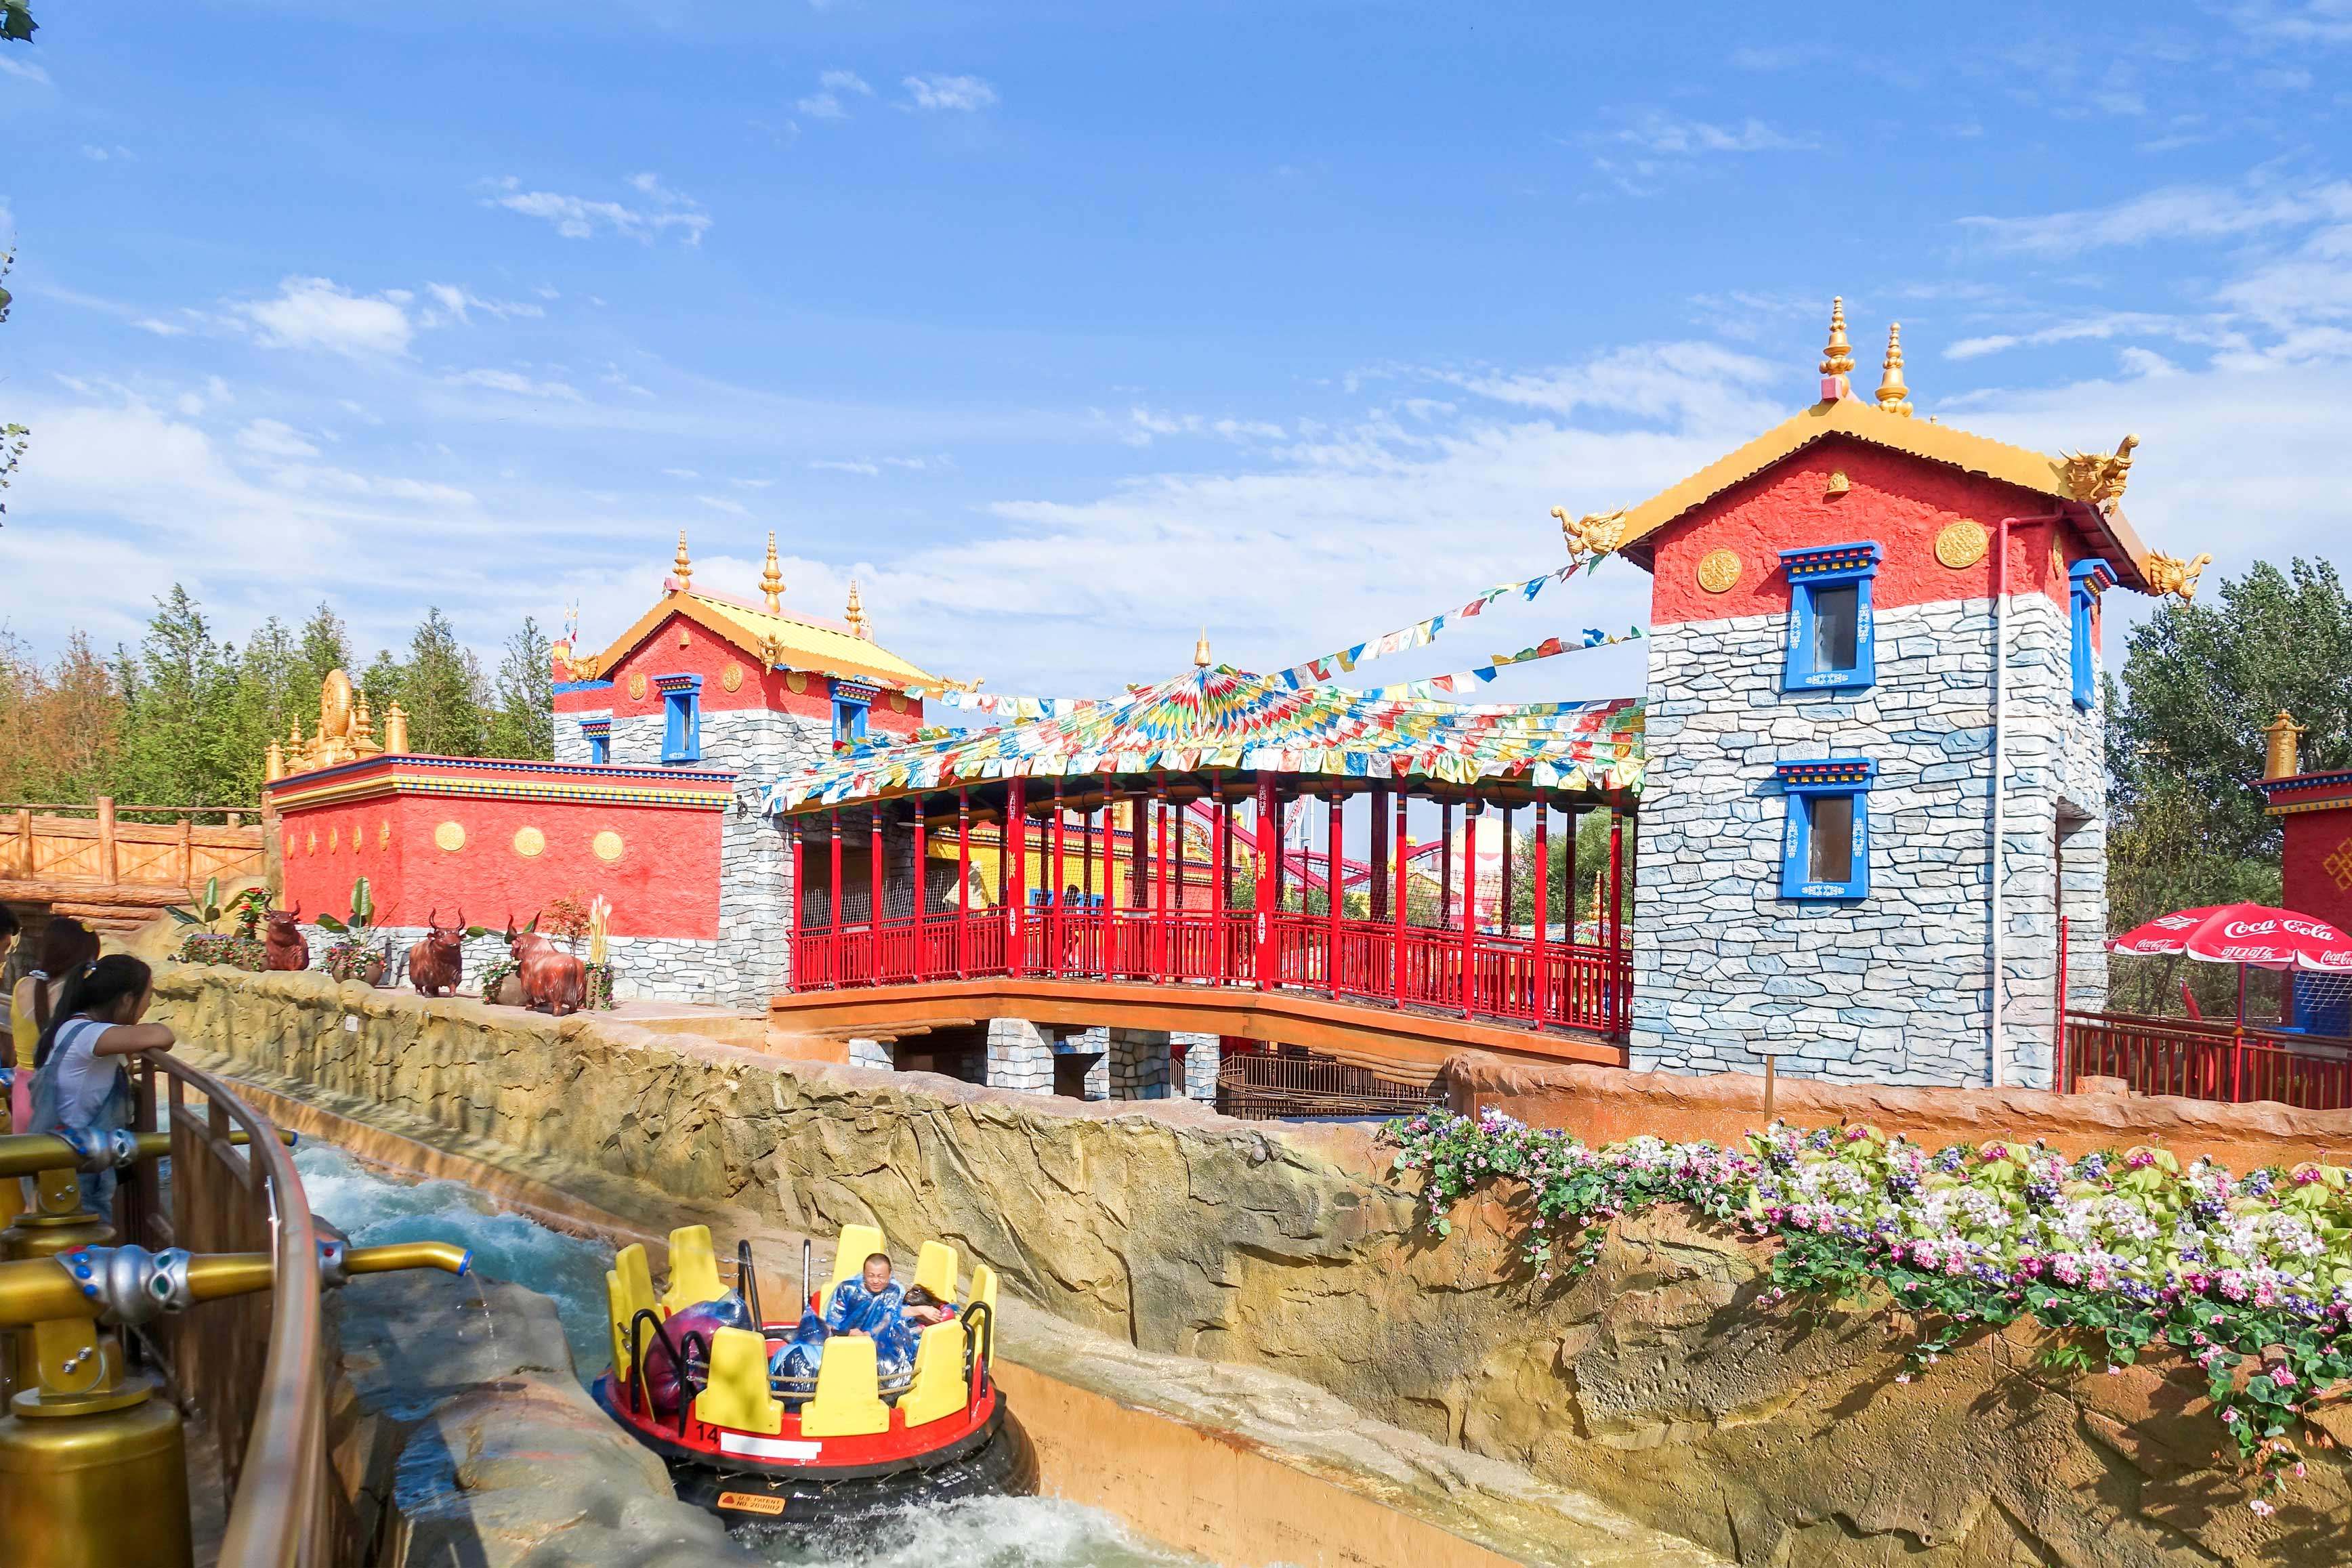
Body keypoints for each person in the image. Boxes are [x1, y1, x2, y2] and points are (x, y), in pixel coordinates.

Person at [27, 955, 177, 1210]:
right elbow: (163, 1035)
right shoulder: (91, 1035)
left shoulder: (71, 1025)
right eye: (148, 996)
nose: (149, 1004)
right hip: (76, 1166)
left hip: (63, 1158)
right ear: (127, 999)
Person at [9, 918, 101, 1136]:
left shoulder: (22, 985)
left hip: (23, 1092)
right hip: (59, 1099)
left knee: (24, 1155)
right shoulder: (80, 997)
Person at [824, 1252, 917, 1374]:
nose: (876, 1281)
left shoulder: (894, 1291)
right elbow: (833, 1322)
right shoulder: (847, 1289)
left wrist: (867, 1335)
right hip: (844, 1342)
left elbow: (888, 1320)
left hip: (876, 1344)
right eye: (871, 1276)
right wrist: (848, 1335)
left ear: (890, 1275)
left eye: (881, 1277)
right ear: (864, 1274)